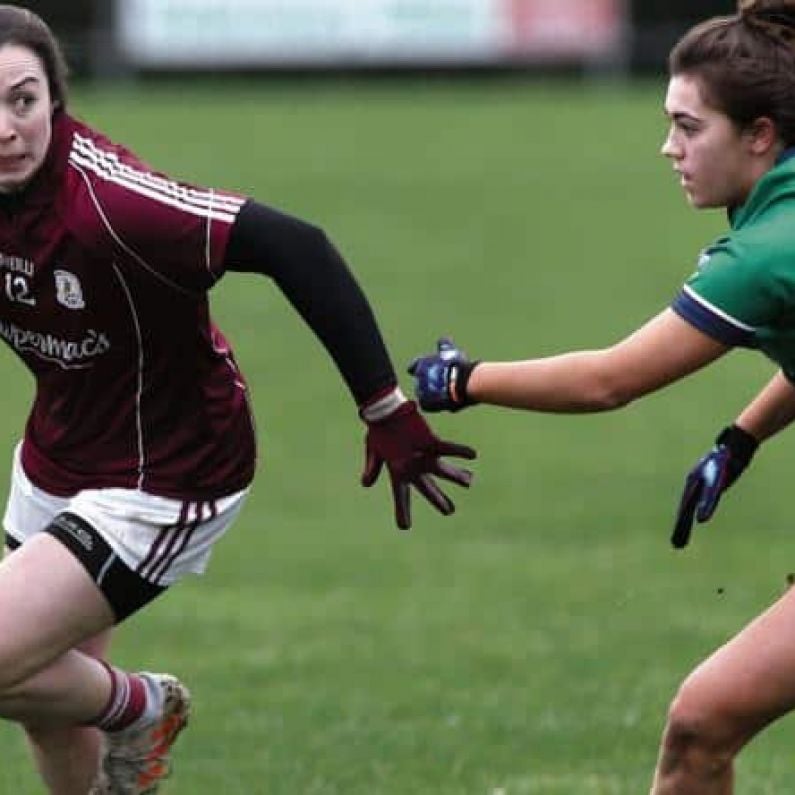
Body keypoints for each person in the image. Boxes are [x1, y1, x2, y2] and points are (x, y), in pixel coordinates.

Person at [0, 6, 477, 795]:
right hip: (59, 454)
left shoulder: (111, 208)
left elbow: (295, 245)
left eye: (23, 100)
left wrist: (383, 405)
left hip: (166, 474)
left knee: (18, 664)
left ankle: (141, 707)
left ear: (56, 99)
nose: (8, 128)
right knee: (42, 695)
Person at [409, 1, 795, 792]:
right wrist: (741, 436)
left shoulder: (764, 251)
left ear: (758, 135)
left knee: (700, 721)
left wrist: (464, 379)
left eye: (689, 127)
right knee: (701, 723)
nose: (668, 147)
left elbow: (609, 379)